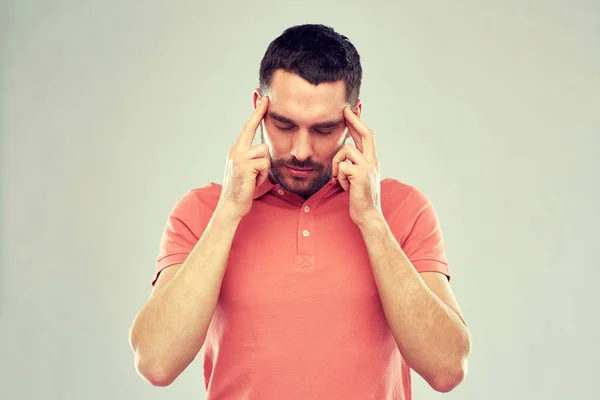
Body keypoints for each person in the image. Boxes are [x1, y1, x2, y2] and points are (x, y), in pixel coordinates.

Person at [129, 24, 471, 399]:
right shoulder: (201, 211)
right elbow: (156, 363)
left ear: (354, 118)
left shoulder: (404, 210)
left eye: (325, 129)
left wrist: (372, 220)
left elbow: (446, 369)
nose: (302, 150)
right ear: (258, 107)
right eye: (283, 124)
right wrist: (228, 211)